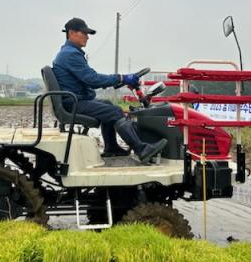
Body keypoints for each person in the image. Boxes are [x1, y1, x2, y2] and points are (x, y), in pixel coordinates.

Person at [52, 17, 167, 163]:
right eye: (84, 33)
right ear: (72, 33)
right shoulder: (71, 54)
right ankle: (141, 149)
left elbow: (90, 78)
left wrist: (120, 79)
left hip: (74, 100)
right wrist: (121, 78)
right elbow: (92, 80)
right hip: (74, 102)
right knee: (115, 112)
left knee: (108, 105)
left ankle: (111, 147)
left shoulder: (69, 52)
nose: (87, 37)